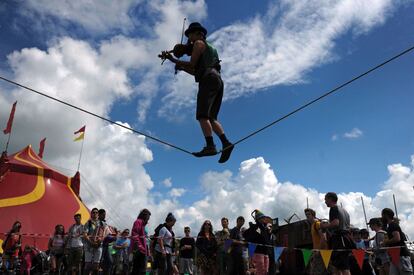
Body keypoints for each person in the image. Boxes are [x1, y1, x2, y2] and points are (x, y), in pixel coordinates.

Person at [161, 22, 234, 163]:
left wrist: (172, 59)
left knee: (202, 115)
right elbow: (196, 71)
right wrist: (181, 67)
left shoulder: (199, 43)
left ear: (197, 34)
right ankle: (226, 143)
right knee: (211, 118)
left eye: (190, 35)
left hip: (208, 80)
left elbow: (192, 64)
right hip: (216, 79)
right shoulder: (210, 49)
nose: (189, 39)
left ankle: (210, 146)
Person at [320, 192, 354, 275]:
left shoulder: (333, 208)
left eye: (326, 199)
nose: (325, 201)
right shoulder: (344, 210)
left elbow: (336, 223)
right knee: (339, 266)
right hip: (346, 239)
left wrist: (325, 226)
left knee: (342, 266)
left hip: (340, 239)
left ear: (330, 199)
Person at [381, 208, 413, 275]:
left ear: (386, 215)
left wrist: (385, 242)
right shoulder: (390, 226)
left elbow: (397, 238)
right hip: (394, 256)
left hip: (401, 255)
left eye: (382, 215)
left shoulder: (393, 225)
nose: (382, 217)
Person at [243, 210, 272, 275]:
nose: (264, 219)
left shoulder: (265, 228)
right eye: (263, 217)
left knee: (265, 271)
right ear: (258, 219)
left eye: (264, 217)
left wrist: (269, 233)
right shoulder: (255, 227)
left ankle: (250, 271)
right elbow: (247, 235)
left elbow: (267, 240)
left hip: (265, 252)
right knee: (260, 271)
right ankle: (250, 271)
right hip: (258, 252)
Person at [83, 207, 106, 275]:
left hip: (99, 245)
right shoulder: (88, 223)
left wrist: (98, 242)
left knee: (96, 265)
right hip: (89, 246)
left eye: (96, 212)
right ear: (91, 214)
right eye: (93, 212)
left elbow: (104, 234)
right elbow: (85, 234)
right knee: (87, 265)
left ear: (98, 214)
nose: (95, 213)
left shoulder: (103, 223)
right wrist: (91, 243)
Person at [304, 208, 328, 275]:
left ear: (313, 215)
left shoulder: (317, 224)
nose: (307, 216)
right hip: (317, 252)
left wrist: (318, 250)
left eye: (309, 214)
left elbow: (323, 238)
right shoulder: (312, 225)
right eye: (306, 215)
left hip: (321, 252)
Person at [131, 208, 151, 275]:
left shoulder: (143, 224)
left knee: (141, 268)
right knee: (138, 269)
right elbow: (134, 234)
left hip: (143, 249)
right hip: (139, 249)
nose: (149, 218)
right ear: (145, 215)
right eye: (148, 216)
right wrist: (139, 246)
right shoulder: (138, 222)